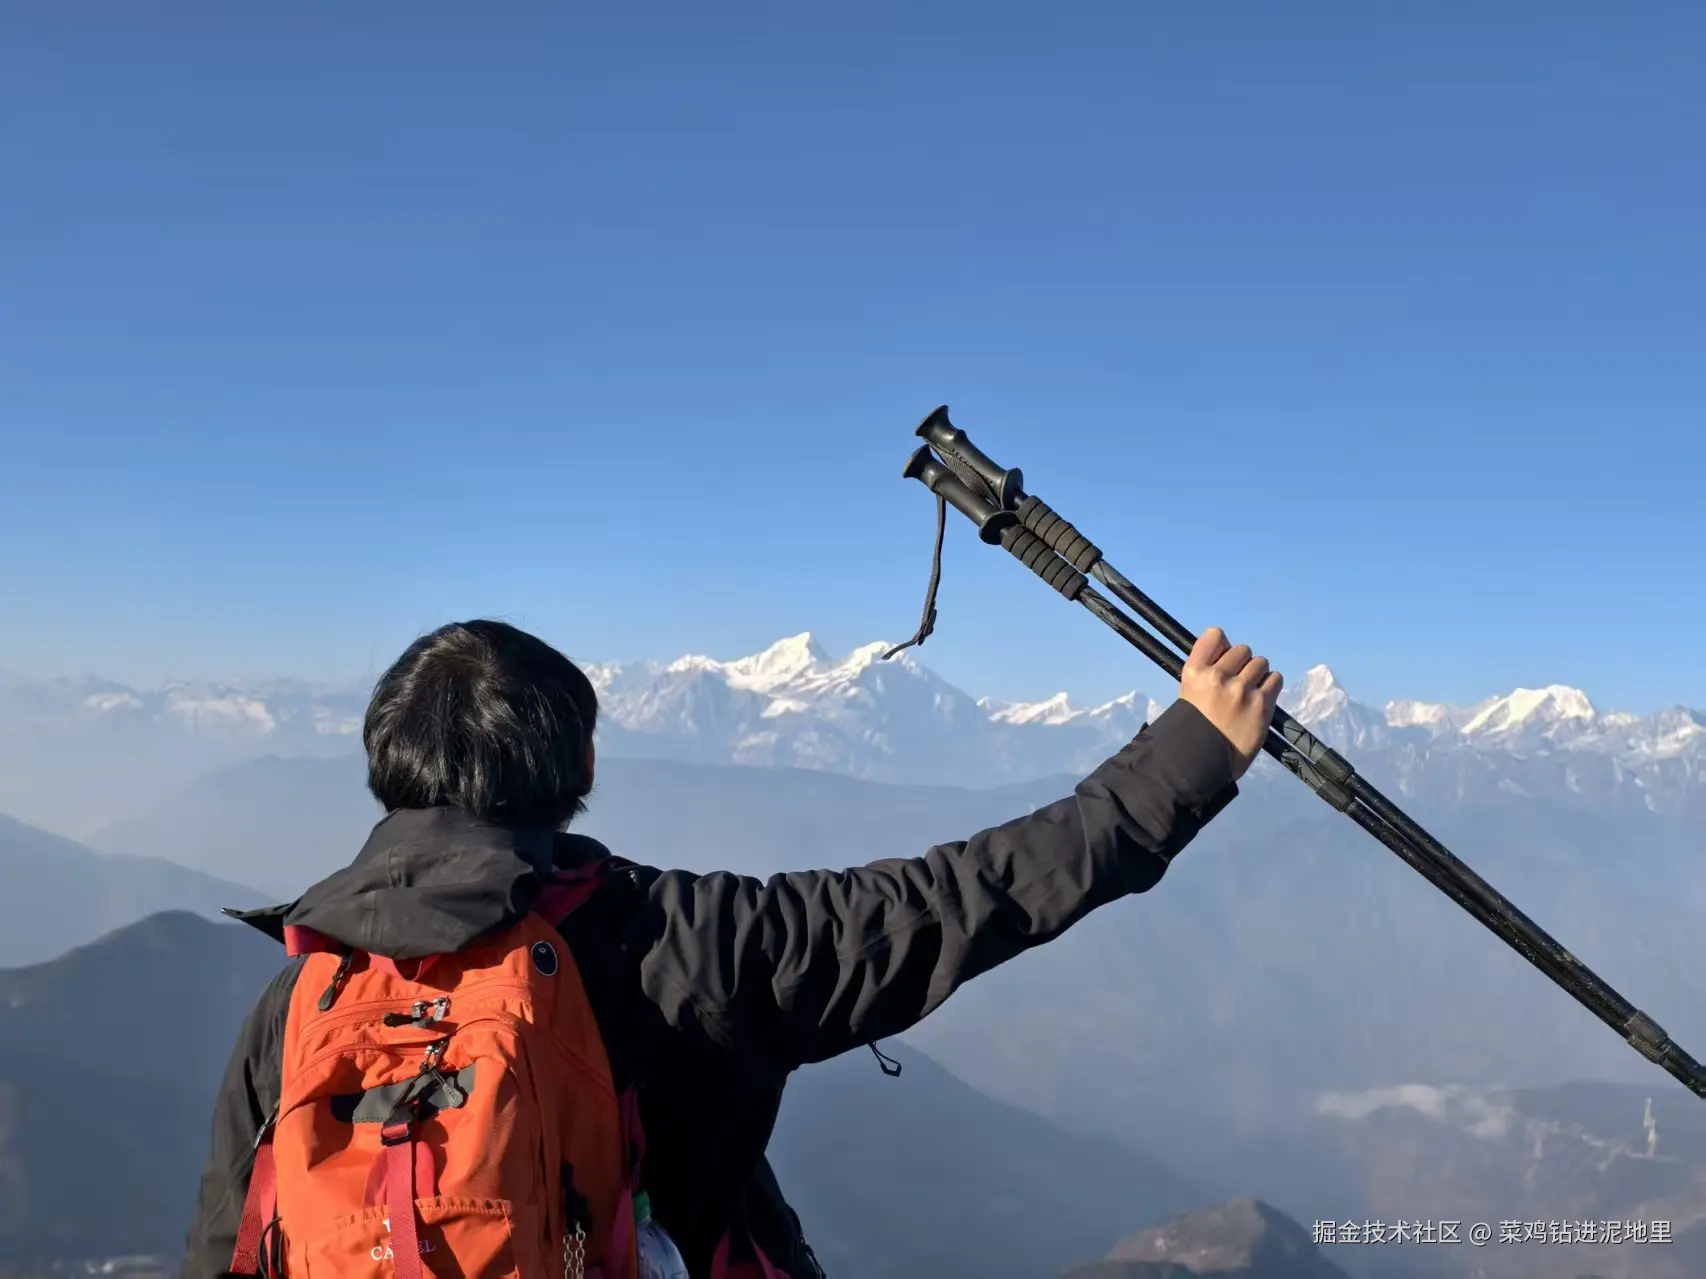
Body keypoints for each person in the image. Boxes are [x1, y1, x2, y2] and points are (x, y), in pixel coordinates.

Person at [181, 618, 1282, 1278]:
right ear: (580, 772)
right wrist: (1187, 756)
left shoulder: (303, 1000)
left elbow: (231, 1244)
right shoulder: (680, 942)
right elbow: (962, 898)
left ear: (388, 768)